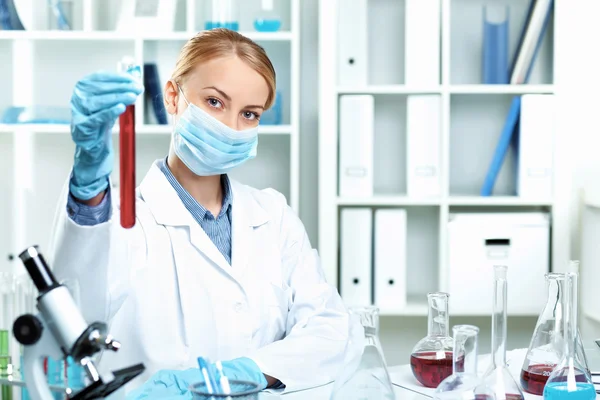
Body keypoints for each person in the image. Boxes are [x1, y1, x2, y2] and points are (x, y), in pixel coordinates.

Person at [48, 28, 362, 397]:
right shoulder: (121, 217)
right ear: (173, 97)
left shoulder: (272, 214)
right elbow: (71, 318)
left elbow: (331, 331)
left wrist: (243, 373)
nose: (230, 127)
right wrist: (87, 194)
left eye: (249, 113)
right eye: (214, 102)